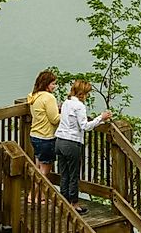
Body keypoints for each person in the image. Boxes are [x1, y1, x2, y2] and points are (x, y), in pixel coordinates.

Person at [55, 80, 111, 215]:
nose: (88, 95)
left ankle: (64, 201)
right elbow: (85, 126)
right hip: (72, 142)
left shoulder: (66, 103)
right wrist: (101, 118)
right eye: (87, 93)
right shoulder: (79, 106)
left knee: (64, 174)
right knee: (73, 174)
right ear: (82, 93)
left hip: (60, 140)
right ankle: (73, 203)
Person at [26, 70, 60, 204]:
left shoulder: (33, 96)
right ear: (46, 84)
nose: (54, 86)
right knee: (44, 171)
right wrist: (67, 113)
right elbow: (55, 119)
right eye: (53, 84)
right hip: (46, 137)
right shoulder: (49, 98)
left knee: (38, 167)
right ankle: (31, 195)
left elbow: (43, 112)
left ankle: (40, 196)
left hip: (34, 135)